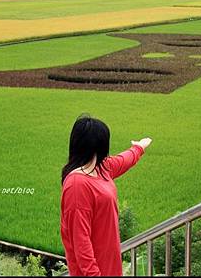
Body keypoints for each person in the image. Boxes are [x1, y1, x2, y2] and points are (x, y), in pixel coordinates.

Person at [60, 115, 152, 276]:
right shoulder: (77, 185)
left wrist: (139, 148)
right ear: (100, 145)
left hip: (110, 268)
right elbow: (81, 241)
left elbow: (123, 160)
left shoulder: (101, 168)